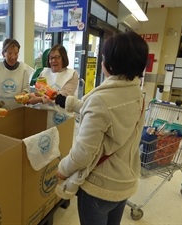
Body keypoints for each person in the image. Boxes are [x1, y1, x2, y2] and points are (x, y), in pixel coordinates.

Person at [55, 31, 148, 225]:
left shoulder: (101, 100)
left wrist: (62, 170)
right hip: (125, 182)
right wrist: (69, 102)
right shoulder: (138, 94)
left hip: (100, 187)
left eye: (104, 57)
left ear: (111, 64)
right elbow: (107, 115)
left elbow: (83, 153)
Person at [27, 44, 78, 128]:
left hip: (62, 116)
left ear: (63, 58)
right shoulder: (44, 72)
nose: (53, 61)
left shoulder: (72, 74)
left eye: (57, 57)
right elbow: (40, 92)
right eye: (51, 58)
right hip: (44, 115)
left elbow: (63, 95)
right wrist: (31, 96)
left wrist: (39, 99)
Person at [0, 38, 33, 110]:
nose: (13, 57)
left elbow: (26, 88)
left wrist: (23, 94)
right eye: (9, 53)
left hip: (18, 109)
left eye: (16, 53)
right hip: (0, 108)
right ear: (3, 53)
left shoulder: (24, 68)